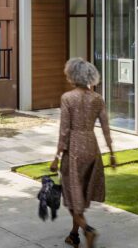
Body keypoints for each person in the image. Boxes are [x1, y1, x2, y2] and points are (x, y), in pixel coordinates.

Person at [50, 57, 116, 247]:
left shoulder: (68, 98)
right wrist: (112, 153)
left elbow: (64, 131)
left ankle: (88, 230)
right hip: (92, 147)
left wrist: (56, 157)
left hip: (75, 149)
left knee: (72, 197)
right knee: (79, 195)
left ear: (72, 75)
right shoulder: (97, 99)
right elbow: (105, 127)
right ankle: (74, 235)